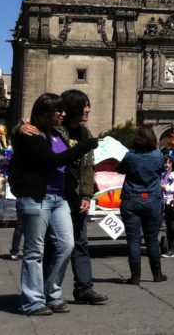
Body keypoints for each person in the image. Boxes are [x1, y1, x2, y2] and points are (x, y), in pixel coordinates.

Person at [10, 93, 98, 315]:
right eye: (58, 111)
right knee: (35, 251)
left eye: (63, 110)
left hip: (60, 199)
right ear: (45, 113)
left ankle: (52, 292)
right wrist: (88, 145)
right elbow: (54, 160)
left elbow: (70, 171)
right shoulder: (32, 134)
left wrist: (80, 197)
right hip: (37, 197)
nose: (63, 114)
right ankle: (32, 301)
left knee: (66, 245)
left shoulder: (59, 135)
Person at [58, 89, 107, 306]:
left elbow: (88, 167)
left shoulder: (85, 134)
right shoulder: (56, 131)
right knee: (56, 245)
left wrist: (87, 195)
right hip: (57, 196)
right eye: (84, 105)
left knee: (80, 243)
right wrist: (21, 126)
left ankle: (84, 288)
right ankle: (48, 292)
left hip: (77, 197)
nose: (88, 109)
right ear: (71, 108)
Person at [117, 125, 167, 283]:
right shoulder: (158, 156)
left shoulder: (130, 156)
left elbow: (119, 169)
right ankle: (157, 274)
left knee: (133, 239)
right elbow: (161, 170)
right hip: (152, 199)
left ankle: (135, 276)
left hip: (131, 198)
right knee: (152, 238)